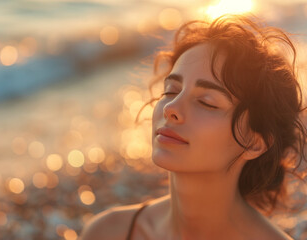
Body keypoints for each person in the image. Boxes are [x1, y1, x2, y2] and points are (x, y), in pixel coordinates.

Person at [79, 14, 307, 240]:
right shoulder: (108, 233)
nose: (171, 108)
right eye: (171, 91)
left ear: (255, 142)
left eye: (206, 102)